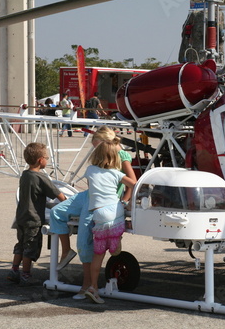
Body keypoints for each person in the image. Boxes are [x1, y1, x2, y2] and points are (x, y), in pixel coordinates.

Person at [49, 126, 136, 300]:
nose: (95, 150)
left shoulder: (122, 156)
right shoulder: (100, 162)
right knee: (56, 212)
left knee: (85, 241)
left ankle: (87, 285)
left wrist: (125, 200)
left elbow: (132, 182)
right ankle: (66, 250)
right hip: (90, 197)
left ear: (104, 144)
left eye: (96, 146)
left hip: (102, 203)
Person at [83, 128, 136, 303]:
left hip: (97, 214)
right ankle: (115, 244)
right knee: (116, 234)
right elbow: (134, 183)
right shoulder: (116, 173)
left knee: (98, 254)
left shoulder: (90, 170)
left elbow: (91, 185)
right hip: (114, 210)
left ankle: (93, 287)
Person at [7, 143, 67, 286]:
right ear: (40, 160)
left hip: (21, 217)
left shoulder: (25, 175)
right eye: (46, 157)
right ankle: (26, 275)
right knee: (31, 246)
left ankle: (14, 270)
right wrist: (68, 203)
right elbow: (59, 195)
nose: (47, 160)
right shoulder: (41, 178)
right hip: (33, 219)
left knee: (21, 244)